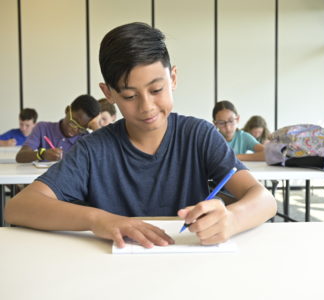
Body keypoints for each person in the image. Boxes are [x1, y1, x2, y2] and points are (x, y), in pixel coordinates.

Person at [5, 22, 276, 249]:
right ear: (108, 94)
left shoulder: (199, 136)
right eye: (130, 96)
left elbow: (264, 200)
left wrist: (232, 219)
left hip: (189, 266)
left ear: (173, 79)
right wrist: (99, 220)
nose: (146, 106)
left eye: (156, 89)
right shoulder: (93, 149)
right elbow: (18, 207)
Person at [15, 94, 100, 163]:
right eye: (73, 122)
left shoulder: (85, 138)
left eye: (81, 128)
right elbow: (20, 157)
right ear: (67, 110)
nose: (75, 129)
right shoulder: (43, 128)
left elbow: (103, 161)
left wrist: (96, 128)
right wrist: (42, 154)